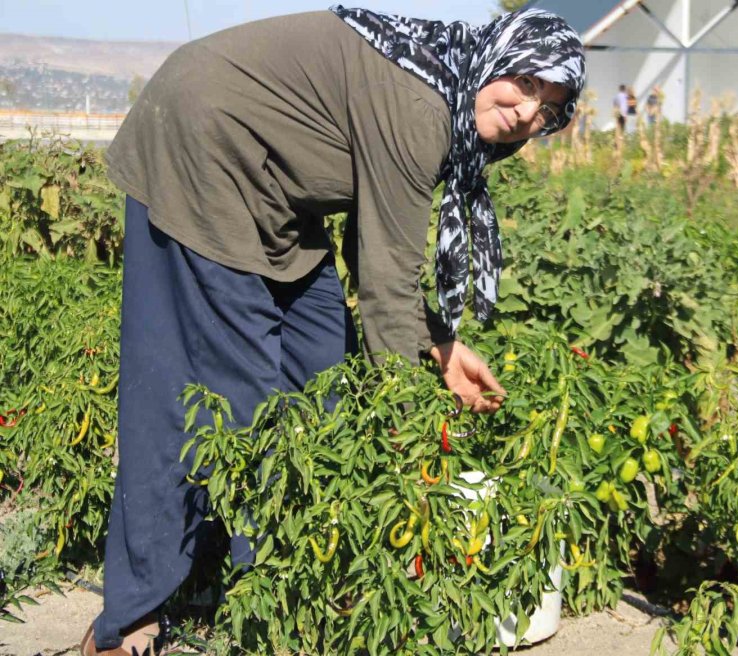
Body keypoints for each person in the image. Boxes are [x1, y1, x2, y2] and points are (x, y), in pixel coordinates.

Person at [79, 5, 585, 655]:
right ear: (495, 57)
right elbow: (384, 283)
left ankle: (302, 566)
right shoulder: (423, 105)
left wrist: (441, 343)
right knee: (221, 399)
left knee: (324, 365)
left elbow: (377, 252)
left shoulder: (447, 88)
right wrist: (414, 447)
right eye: (525, 81)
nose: (525, 109)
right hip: (200, 145)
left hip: (275, 194)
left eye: (548, 104)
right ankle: (132, 617)